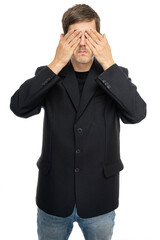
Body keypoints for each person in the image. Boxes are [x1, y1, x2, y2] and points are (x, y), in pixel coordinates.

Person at [10, 3, 147, 240]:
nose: (83, 43)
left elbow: (137, 114)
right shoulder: (49, 74)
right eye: (75, 36)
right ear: (63, 39)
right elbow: (18, 107)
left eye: (89, 36)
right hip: (53, 196)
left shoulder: (116, 75)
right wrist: (56, 63)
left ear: (102, 39)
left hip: (100, 197)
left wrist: (109, 63)